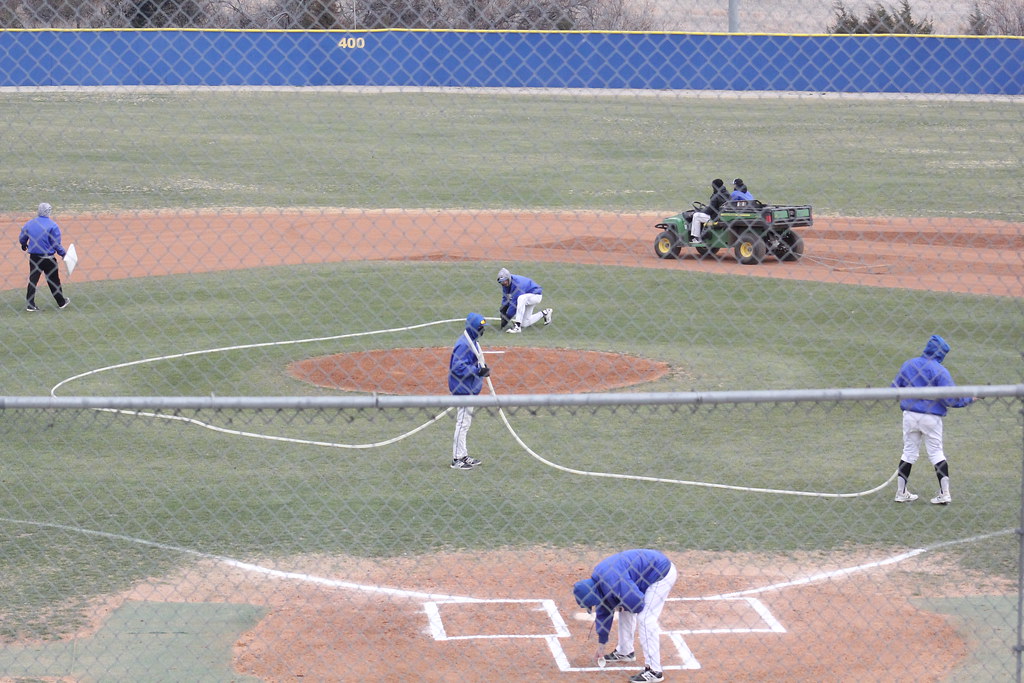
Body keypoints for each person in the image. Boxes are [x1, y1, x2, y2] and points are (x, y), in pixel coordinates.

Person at [891, 335, 976, 505]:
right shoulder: (940, 371)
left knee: (908, 453)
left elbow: (894, 388)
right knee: (936, 453)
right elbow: (951, 399)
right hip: (932, 417)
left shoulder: (909, 364)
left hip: (909, 415)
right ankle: (944, 493)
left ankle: (901, 492)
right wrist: (969, 399)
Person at [573, 548, 678, 683]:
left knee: (645, 618)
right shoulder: (598, 584)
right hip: (644, 574)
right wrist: (601, 646)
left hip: (661, 574)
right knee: (624, 607)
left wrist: (622, 604)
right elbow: (603, 613)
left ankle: (654, 670)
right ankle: (625, 651)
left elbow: (637, 603)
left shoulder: (612, 580)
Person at [448, 312, 491, 470]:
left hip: (469, 388)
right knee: (462, 423)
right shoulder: (464, 345)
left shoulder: (472, 341)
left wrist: (481, 370)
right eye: (481, 327)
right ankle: (456, 459)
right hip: (463, 389)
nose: (483, 330)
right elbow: (458, 367)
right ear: (474, 328)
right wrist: (476, 371)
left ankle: (463, 455)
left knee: (465, 423)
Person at [18, 202, 70, 312]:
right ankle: (61, 302)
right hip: (49, 258)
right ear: (49, 211)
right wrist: (64, 254)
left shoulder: (30, 223)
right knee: (53, 280)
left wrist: (23, 244)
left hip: (35, 257)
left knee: (33, 280)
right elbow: (56, 244)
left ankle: (30, 304)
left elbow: (23, 237)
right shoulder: (52, 225)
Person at [496, 267, 552, 334]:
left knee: (520, 298)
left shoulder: (517, 283)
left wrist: (507, 317)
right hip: (527, 298)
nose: (504, 283)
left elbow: (514, 304)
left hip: (535, 295)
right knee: (524, 323)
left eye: (505, 281)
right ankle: (545, 313)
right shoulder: (505, 284)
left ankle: (517, 327)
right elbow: (506, 297)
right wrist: (504, 307)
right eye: (501, 282)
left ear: (509, 278)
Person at [689, 178, 729, 243]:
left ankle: (696, 238)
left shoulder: (715, 196)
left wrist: (701, 211)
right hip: (723, 216)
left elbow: (710, 210)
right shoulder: (727, 193)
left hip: (715, 218)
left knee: (696, 216)